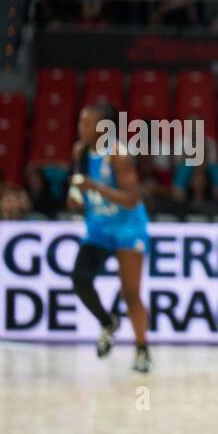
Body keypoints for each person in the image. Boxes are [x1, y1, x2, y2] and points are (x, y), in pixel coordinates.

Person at [67, 103, 152, 373]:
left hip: (128, 227)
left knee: (130, 292)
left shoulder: (118, 154)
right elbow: (78, 192)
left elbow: (132, 199)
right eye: (80, 122)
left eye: (86, 123)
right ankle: (107, 322)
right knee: (80, 280)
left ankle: (142, 350)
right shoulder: (79, 151)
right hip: (99, 227)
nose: (81, 128)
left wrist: (94, 187)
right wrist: (76, 199)